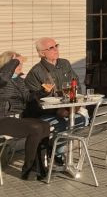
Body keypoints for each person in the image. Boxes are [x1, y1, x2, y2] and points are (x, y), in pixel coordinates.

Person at [0, 52, 50, 181]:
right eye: (17, 63)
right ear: (8, 64)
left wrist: (42, 92)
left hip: (17, 118)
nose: (20, 65)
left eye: (20, 63)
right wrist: (14, 60)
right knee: (36, 128)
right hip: (3, 119)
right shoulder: (2, 79)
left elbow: (28, 97)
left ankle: (38, 166)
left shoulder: (18, 79)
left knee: (45, 125)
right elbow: (4, 78)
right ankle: (28, 168)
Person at [25, 37, 87, 132]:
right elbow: (32, 100)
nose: (56, 49)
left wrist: (76, 104)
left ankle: (59, 144)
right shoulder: (36, 72)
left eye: (56, 46)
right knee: (61, 125)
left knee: (81, 120)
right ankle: (54, 146)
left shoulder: (64, 63)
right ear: (42, 53)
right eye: (51, 48)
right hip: (45, 113)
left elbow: (76, 84)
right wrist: (56, 111)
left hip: (67, 109)